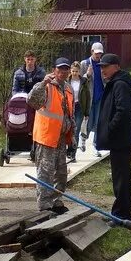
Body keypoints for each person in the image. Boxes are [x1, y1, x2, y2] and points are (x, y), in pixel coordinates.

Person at [28, 58, 76, 213]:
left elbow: (70, 114)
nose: (63, 72)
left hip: (61, 139)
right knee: (45, 174)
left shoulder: (68, 89)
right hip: (46, 137)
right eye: (60, 69)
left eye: (66, 69)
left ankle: (56, 201)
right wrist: (42, 84)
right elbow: (31, 101)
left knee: (61, 173)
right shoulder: (45, 86)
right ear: (54, 70)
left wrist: (72, 135)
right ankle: (45, 206)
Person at [95, 53, 131, 223]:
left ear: (116, 67)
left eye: (105, 67)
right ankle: (120, 211)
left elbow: (124, 110)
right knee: (120, 177)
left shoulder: (120, 84)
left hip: (121, 139)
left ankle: (122, 214)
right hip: (119, 140)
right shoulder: (115, 83)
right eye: (101, 67)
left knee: (121, 179)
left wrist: (110, 128)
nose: (103, 70)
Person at [81, 42, 105, 157]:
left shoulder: (103, 64)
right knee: (88, 123)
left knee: (98, 122)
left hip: (100, 96)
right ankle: (83, 140)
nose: (98, 56)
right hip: (89, 97)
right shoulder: (84, 64)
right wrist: (88, 75)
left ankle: (95, 145)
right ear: (91, 52)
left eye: (100, 53)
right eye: (96, 53)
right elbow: (80, 81)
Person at [67, 63, 84, 164]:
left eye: (76, 71)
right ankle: (68, 151)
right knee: (68, 129)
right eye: (73, 71)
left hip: (79, 107)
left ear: (79, 72)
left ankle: (73, 154)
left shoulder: (83, 82)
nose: (74, 73)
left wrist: (86, 111)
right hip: (69, 107)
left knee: (76, 130)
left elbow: (87, 96)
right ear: (70, 71)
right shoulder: (66, 81)